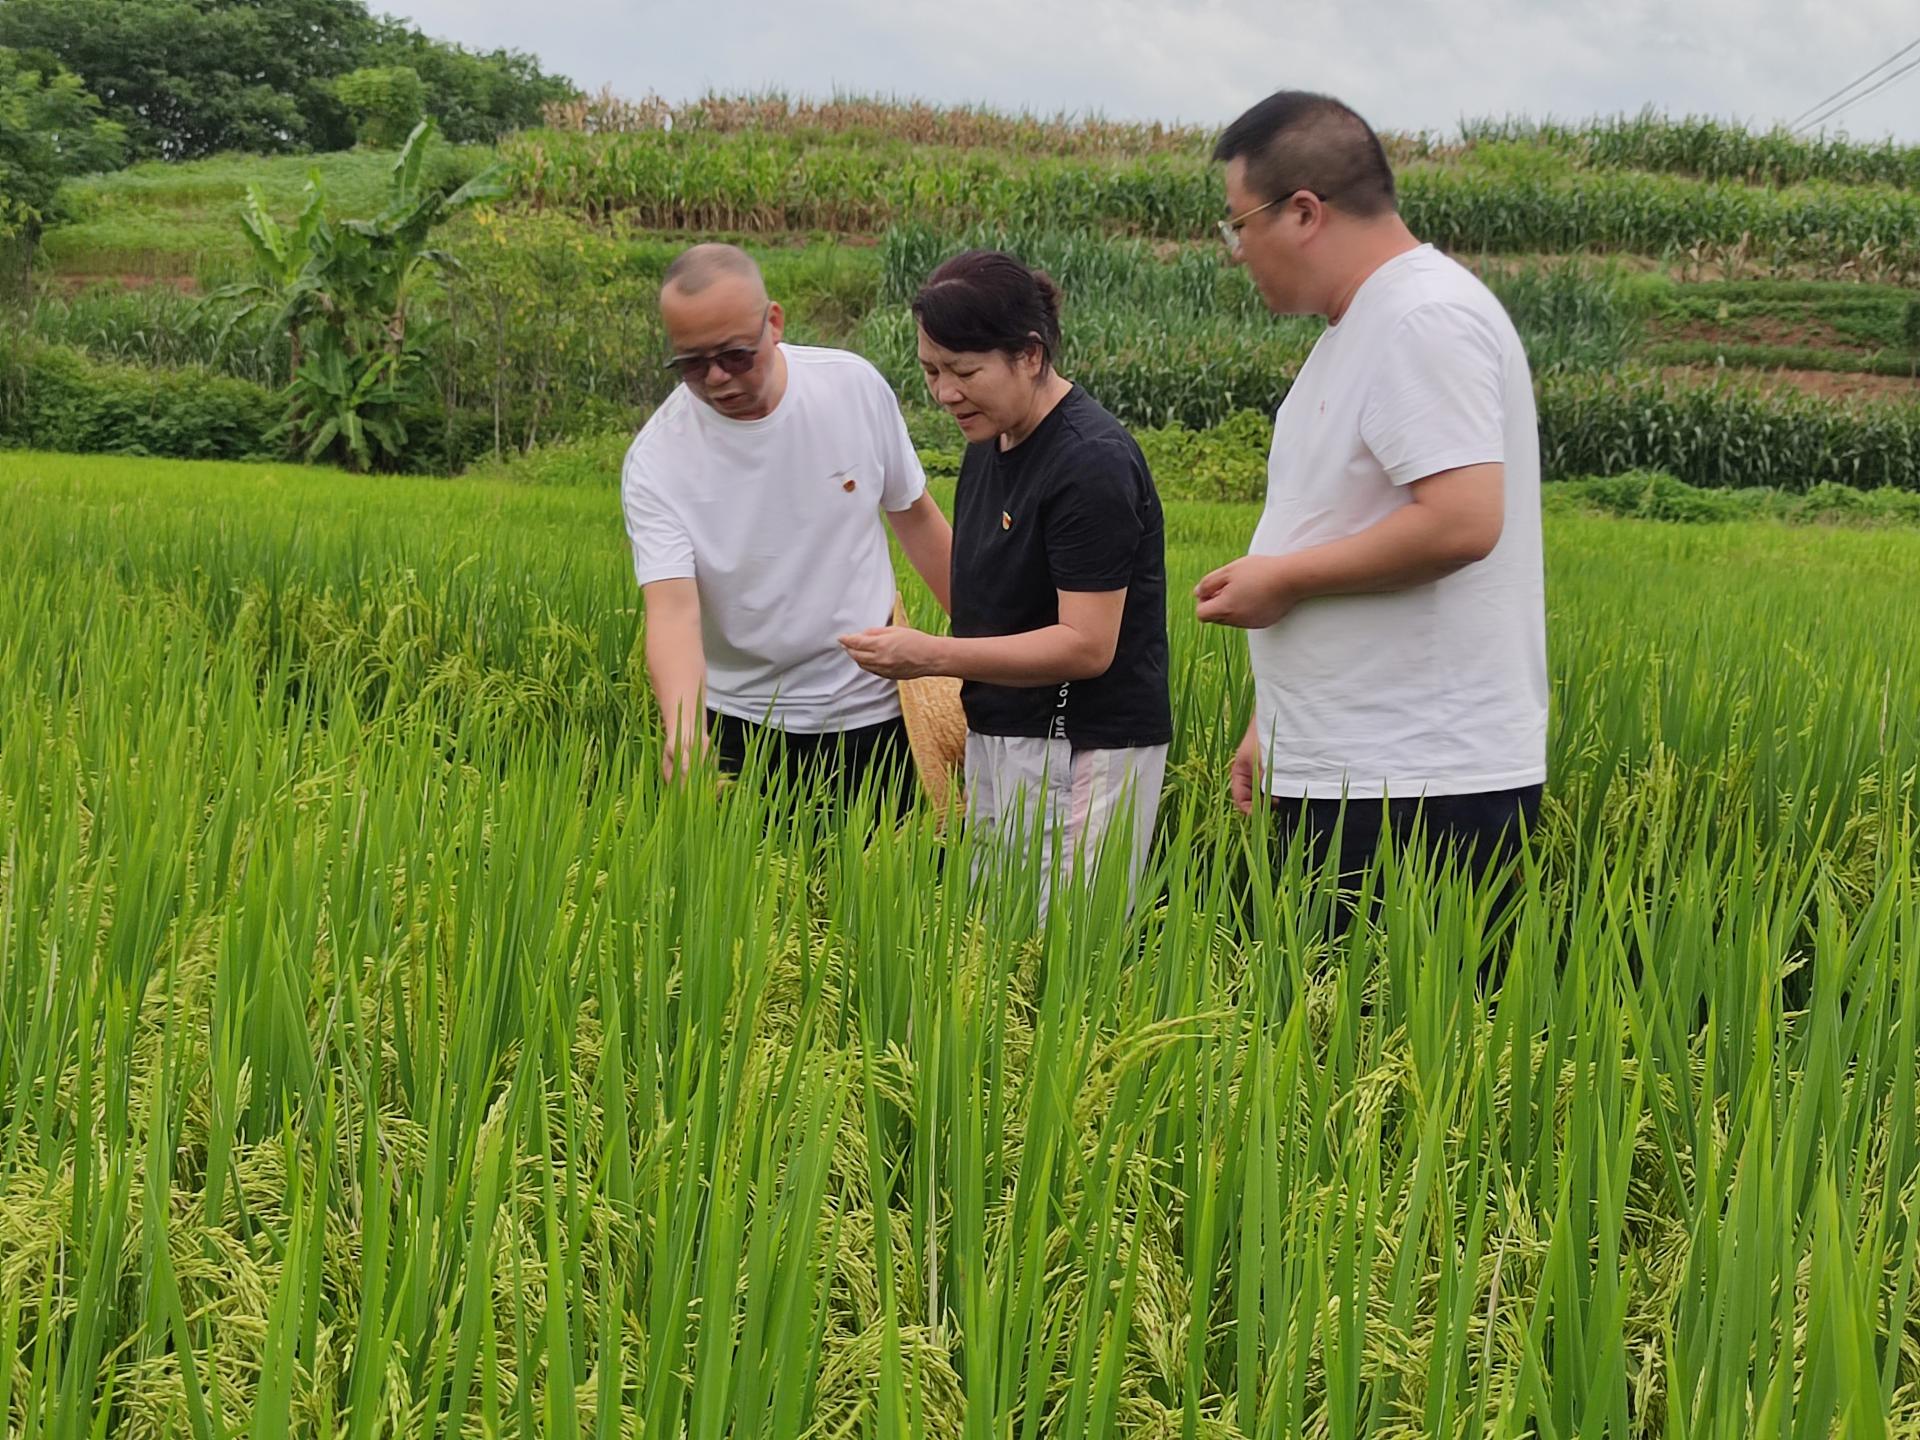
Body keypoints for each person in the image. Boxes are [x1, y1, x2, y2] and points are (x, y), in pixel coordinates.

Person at [1193, 91, 1547, 881]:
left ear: (1305, 212)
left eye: (1239, 224)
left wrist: (1280, 579)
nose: (1237, 250)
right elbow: (1338, 518)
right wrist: (1275, 719)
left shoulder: (1422, 317)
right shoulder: (1361, 327)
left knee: (1398, 1008)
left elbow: (1461, 521)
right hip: (1353, 762)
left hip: (1417, 785)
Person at [839, 250, 1172, 909]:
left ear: (1029, 354)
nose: (944, 393)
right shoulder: (990, 444)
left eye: (964, 371)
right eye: (931, 371)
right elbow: (983, 596)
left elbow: (1087, 645)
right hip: (1001, 735)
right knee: (1000, 957)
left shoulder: (1090, 463)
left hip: (1085, 749)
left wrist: (929, 656)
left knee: (1065, 967)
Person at [620, 243, 952, 800]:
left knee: (895, 879)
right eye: (692, 365)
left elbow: (916, 519)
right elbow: (673, 611)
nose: (718, 378)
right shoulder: (658, 460)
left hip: (877, 708)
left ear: (772, 323)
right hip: (742, 722)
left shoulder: (852, 388)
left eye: (735, 355)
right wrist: (683, 727)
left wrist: (993, 648)